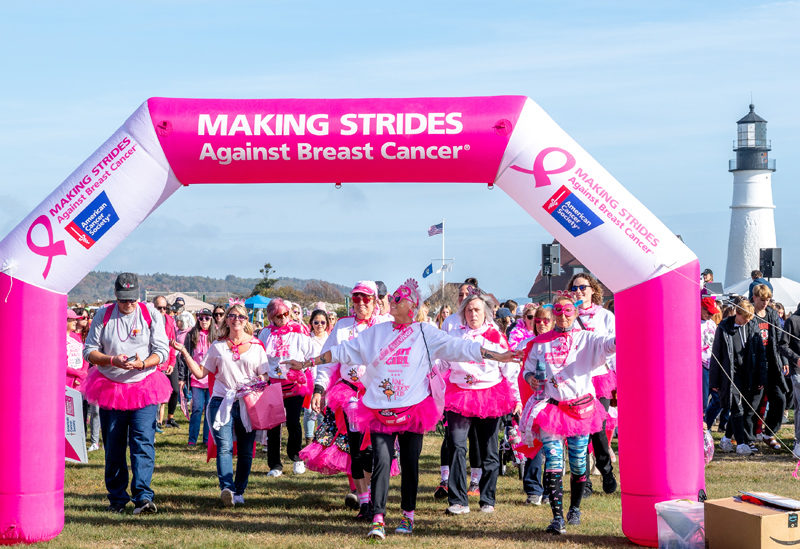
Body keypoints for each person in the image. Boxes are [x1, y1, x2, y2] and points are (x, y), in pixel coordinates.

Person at [286, 279, 517, 540]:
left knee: (409, 464)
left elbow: (460, 348)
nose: (392, 301)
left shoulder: (425, 333)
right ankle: (378, 518)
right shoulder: (377, 333)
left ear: (412, 306)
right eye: (392, 298)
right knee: (381, 462)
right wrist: (307, 362)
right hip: (379, 411)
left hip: (413, 411)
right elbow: (342, 351)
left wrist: (497, 356)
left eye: (398, 298)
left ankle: (408, 516)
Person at [520, 294, 616, 535]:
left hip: (581, 410)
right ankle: (556, 518)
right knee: (553, 462)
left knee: (577, 463)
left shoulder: (587, 339)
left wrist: (627, 331)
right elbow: (527, 370)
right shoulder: (540, 343)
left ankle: (574, 508)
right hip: (552, 409)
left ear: (576, 312)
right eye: (559, 312)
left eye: (568, 311)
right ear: (553, 314)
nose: (563, 316)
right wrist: (531, 378)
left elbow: (609, 345)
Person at [82, 273, 171, 514]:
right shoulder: (104, 314)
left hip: (144, 383)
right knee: (114, 445)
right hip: (111, 386)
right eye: (123, 300)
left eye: (132, 299)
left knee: (142, 441)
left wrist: (143, 364)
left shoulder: (150, 313)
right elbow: (89, 351)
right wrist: (111, 360)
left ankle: (143, 495)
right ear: (116, 296)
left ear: (139, 295)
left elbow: (162, 351)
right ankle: (117, 499)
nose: (128, 304)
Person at [309, 282, 389, 520]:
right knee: (356, 449)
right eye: (356, 299)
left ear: (375, 301)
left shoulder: (385, 325)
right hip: (349, 395)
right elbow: (328, 359)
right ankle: (364, 502)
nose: (361, 304)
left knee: (376, 450)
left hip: (377, 396)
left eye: (366, 299)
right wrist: (318, 388)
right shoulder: (343, 326)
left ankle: (377, 499)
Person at [172, 303, 266, 507]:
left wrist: (256, 384)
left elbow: (264, 375)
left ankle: (239, 491)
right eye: (232, 316)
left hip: (246, 402)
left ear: (246, 320)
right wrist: (184, 353)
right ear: (226, 320)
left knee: (246, 449)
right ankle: (227, 488)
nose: (236, 319)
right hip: (221, 401)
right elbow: (200, 374)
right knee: (224, 446)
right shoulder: (218, 346)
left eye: (240, 316)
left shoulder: (257, 346)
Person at [438, 293, 522, 515]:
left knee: (489, 449)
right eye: (469, 310)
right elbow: (442, 364)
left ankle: (487, 499)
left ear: (485, 312)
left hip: (490, 394)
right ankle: (457, 500)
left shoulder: (496, 335)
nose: (473, 314)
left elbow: (510, 370)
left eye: (477, 310)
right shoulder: (454, 335)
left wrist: (516, 398)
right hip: (459, 394)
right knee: (456, 445)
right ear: (463, 313)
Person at [568, 273, 618, 495]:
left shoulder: (605, 316)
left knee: (597, 427)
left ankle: (605, 470)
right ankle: (583, 480)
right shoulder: (568, 316)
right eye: (575, 288)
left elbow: (615, 345)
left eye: (583, 287)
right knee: (580, 430)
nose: (578, 291)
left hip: (599, 377)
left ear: (593, 290)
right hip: (577, 379)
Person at [258, 298, 314, 476]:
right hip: (273, 383)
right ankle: (275, 464)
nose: (282, 318)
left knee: (293, 422)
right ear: (271, 317)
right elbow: (259, 355)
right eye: (278, 316)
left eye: (285, 314)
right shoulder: (266, 333)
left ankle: (296, 457)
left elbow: (312, 354)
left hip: (294, 382)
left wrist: (302, 364)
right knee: (273, 425)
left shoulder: (299, 330)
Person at [709, 299, 767, 456]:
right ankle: (741, 444)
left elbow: (760, 353)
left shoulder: (752, 325)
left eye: (749, 319)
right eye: (745, 318)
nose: (747, 321)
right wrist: (714, 381)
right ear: (737, 313)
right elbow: (716, 355)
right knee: (737, 407)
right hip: (730, 374)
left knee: (743, 408)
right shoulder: (723, 328)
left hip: (748, 374)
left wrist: (761, 376)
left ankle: (726, 438)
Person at [518, 305, 554, 506]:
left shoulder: (560, 342)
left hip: (555, 402)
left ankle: (550, 490)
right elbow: (524, 370)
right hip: (533, 399)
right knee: (533, 443)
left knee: (552, 446)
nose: (540, 325)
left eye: (545, 321)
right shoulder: (529, 344)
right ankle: (533, 489)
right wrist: (529, 376)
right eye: (537, 321)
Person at [751, 284, 788, 449]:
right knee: (754, 402)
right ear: (755, 298)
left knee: (780, 399)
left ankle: (769, 433)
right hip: (753, 366)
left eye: (767, 300)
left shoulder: (772, 314)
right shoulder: (749, 313)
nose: (765, 303)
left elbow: (780, 339)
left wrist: (785, 361)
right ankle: (747, 436)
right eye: (762, 299)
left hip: (772, 364)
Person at [177, 308, 217, 446]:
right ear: (197, 319)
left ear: (211, 319)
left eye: (207, 318)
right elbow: (183, 358)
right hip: (196, 378)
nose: (204, 321)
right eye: (201, 318)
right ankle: (192, 439)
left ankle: (207, 439)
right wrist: (182, 378)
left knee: (209, 410)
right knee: (197, 408)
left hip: (211, 378)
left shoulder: (216, 335)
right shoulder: (191, 335)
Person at [153, 296, 179, 431]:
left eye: (165, 308)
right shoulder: (149, 321)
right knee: (156, 394)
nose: (162, 310)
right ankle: (156, 422)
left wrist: (172, 363)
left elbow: (172, 344)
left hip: (168, 361)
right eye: (159, 308)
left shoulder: (169, 321)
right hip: (155, 363)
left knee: (175, 390)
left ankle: (170, 417)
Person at [304, 309, 329, 446]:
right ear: (311, 323)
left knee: (322, 412)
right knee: (309, 411)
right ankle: (308, 440)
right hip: (310, 378)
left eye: (323, 322)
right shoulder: (307, 340)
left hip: (325, 379)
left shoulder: (330, 339)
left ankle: (320, 441)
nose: (320, 325)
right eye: (316, 322)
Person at [780, 303, 800, 455]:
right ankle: (799, 442)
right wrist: (796, 359)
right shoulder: (792, 320)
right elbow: (783, 345)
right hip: (797, 370)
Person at [701, 297, 721, 413]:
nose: (710, 315)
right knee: (703, 399)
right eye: (708, 312)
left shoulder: (712, 323)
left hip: (713, 364)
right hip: (701, 364)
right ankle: (702, 424)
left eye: (712, 313)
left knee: (718, 399)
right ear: (702, 308)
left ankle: (707, 423)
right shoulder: (695, 322)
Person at [67, 308, 88, 389]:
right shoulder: (58, 338)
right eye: (72, 320)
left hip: (78, 381)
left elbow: (84, 355)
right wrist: (78, 373)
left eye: (76, 319)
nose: (75, 322)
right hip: (66, 379)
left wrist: (83, 373)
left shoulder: (76, 337)